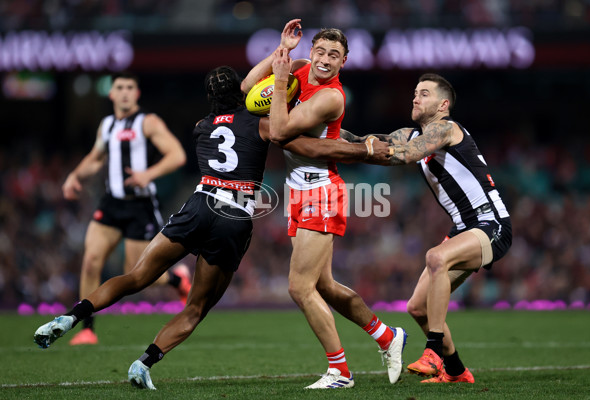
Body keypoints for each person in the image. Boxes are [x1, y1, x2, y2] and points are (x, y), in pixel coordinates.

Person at [34, 66, 391, 390]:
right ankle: (144, 363)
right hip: (233, 216)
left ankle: (71, 316)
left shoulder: (201, 128)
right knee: (195, 309)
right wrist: (361, 149)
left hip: (200, 203)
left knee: (137, 276)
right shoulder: (262, 124)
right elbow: (305, 144)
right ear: (245, 92)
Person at [241, 19, 407, 389]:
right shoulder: (298, 68)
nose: (326, 59)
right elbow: (249, 89)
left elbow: (281, 131)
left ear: (343, 61)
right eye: (320, 51)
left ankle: (340, 372)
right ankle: (387, 336)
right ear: (310, 52)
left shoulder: (332, 96)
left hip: (321, 192)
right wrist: (280, 52)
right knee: (326, 286)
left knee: (299, 288)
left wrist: (282, 80)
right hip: (298, 191)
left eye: (335, 55)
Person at [341, 73, 512, 383]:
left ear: (443, 104)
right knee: (417, 307)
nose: (415, 98)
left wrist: (369, 151)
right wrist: (322, 131)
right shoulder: (411, 135)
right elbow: (362, 142)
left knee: (436, 257)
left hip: (491, 224)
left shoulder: (446, 128)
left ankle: (433, 352)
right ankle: (457, 371)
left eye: (424, 94)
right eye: (414, 93)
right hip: (464, 229)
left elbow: (407, 154)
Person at [61, 71, 190, 346]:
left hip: (140, 206)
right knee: (90, 262)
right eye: (119, 87)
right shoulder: (107, 125)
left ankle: (176, 281)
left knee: (137, 274)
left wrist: (148, 174)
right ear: (111, 94)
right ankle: (87, 329)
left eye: (130, 87)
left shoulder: (148, 122)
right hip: (111, 204)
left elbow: (177, 154)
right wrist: (75, 175)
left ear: (137, 93)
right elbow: (96, 159)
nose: (125, 92)